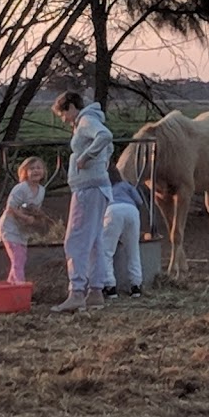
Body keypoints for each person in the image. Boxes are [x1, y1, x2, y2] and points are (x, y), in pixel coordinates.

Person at [49, 91, 113, 313]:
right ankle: (95, 291)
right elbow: (108, 146)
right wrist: (102, 161)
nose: (64, 120)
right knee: (94, 240)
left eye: (62, 114)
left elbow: (105, 137)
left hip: (88, 189)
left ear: (70, 107)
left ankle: (76, 291)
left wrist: (86, 157)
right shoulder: (88, 120)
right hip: (96, 186)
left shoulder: (86, 120)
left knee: (75, 239)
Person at [0, 156, 47, 284]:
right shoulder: (21, 188)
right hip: (10, 228)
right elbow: (10, 207)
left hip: (23, 230)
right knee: (18, 257)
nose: (35, 171)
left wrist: (38, 219)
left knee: (21, 257)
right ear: (25, 172)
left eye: (38, 168)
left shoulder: (41, 190)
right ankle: (20, 284)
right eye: (31, 169)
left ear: (44, 171)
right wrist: (25, 217)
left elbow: (34, 209)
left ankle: (11, 285)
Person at [101, 164, 143, 298]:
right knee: (133, 250)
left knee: (106, 251)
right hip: (131, 211)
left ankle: (110, 286)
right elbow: (140, 201)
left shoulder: (103, 188)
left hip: (112, 211)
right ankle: (136, 285)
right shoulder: (126, 185)